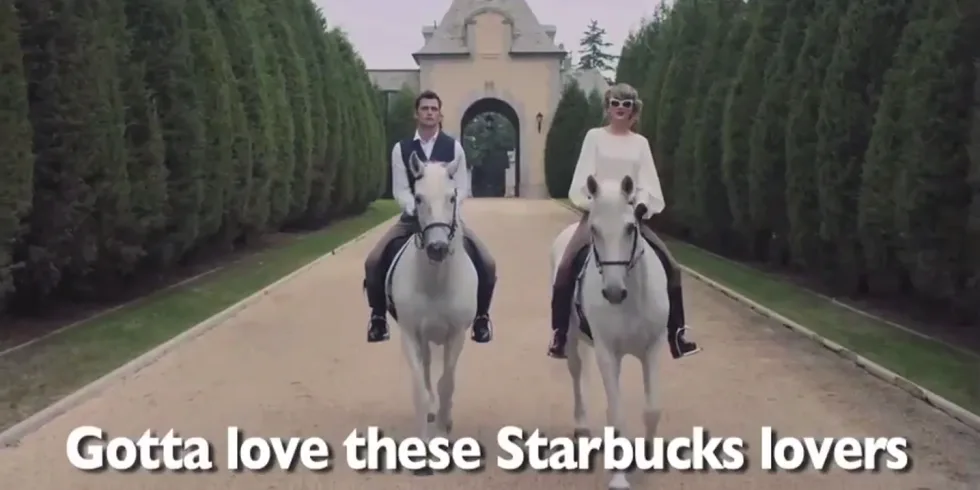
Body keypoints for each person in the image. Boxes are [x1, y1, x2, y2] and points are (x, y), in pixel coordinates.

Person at [547, 83, 702, 360]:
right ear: (607, 108)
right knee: (565, 267)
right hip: (597, 216)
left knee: (672, 267)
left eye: (626, 104)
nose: (620, 108)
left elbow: (647, 182)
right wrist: (596, 205)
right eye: (615, 103)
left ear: (634, 110)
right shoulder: (594, 137)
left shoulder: (640, 143)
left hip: (629, 218)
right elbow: (583, 179)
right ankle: (560, 333)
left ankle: (676, 335)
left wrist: (641, 205)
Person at [363, 90, 497, 344]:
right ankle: (378, 317)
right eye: (424, 108)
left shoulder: (454, 148)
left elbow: (462, 187)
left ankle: (481, 317)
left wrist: (446, 215)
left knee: (488, 263)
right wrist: (416, 210)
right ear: (416, 114)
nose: (429, 113)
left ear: (440, 114)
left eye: (434, 109)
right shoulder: (401, 149)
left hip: (447, 220)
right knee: (373, 261)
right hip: (412, 218)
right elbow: (401, 188)